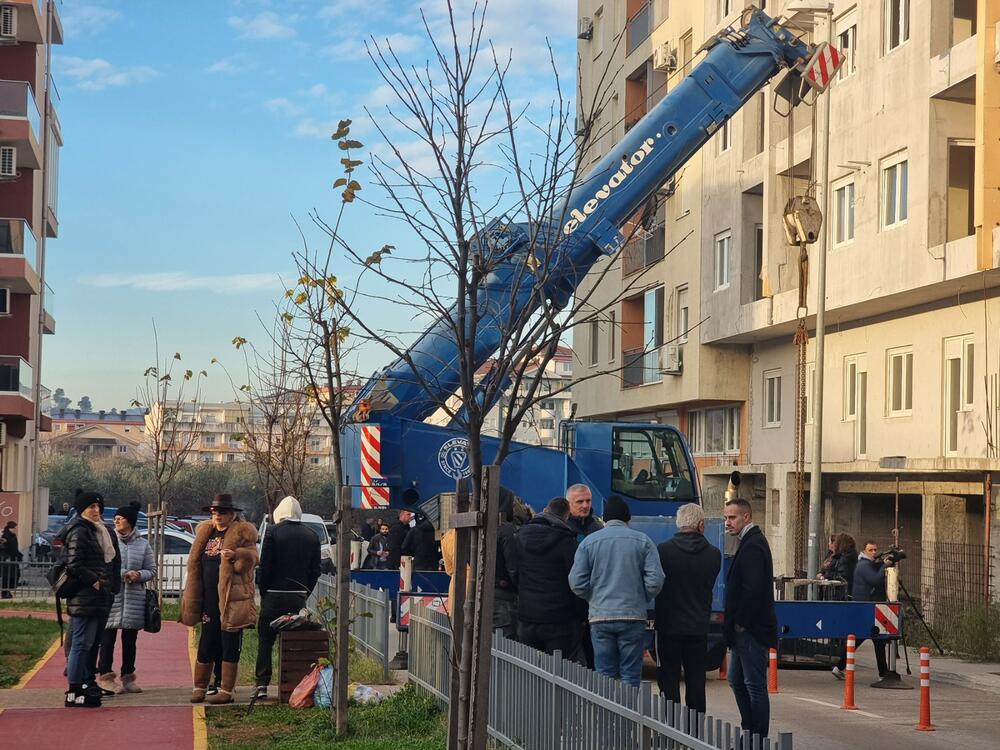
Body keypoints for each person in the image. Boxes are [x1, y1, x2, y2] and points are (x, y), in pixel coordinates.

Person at [569, 495, 664, 687]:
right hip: (633, 616)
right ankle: (627, 716)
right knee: (630, 674)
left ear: (605, 519)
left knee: (605, 674)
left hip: (600, 616)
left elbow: (576, 582)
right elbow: (656, 580)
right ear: (627, 519)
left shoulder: (589, 543)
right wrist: (641, 597)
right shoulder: (643, 541)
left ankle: (606, 716)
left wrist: (594, 597)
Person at [180, 494, 258, 705]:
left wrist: (236, 555)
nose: (218, 516)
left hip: (232, 598)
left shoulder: (242, 533)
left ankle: (226, 689)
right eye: (214, 512)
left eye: (222, 513)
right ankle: (200, 686)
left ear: (232, 515)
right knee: (207, 640)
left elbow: (252, 558)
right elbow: (196, 563)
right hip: (208, 596)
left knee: (229, 642)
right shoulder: (206, 532)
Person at [654, 503, 721, 714]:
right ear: (701, 525)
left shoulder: (663, 551)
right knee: (695, 681)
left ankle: (670, 730)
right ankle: (695, 732)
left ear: (679, 524)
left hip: (668, 625)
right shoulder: (713, 554)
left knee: (668, 679)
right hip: (698, 626)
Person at [253, 495, 321, 700]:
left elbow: (265, 566)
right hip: (298, 595)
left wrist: (263, 589)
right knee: (295, 640)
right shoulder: (312, 535)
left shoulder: (274, 532)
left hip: (273, 594)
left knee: (266, 638)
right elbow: (315, 570)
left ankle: (262, 683)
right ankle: (295, 682)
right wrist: (304, 591)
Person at [722, 497, 777, 741]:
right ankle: (750, 731)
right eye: (726, 517)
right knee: (735, 680)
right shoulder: (748, 542)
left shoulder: (753, 544)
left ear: (747, 517)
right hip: (744, 630)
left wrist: (741, 623)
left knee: (754, 686)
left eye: (732, 517)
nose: (727, 522)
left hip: (751, 630)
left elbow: (752, 590)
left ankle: (757, 738)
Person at [59, 491, 116, 708]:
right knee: (80, 644)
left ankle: (84, 685)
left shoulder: (96, 530)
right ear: (81, 509)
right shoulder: (79, 531)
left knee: (89, 643)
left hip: (96, 597)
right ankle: (74, 690)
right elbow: (74, 564)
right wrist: (95, 581)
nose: (96, 510)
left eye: (98, 506)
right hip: (84, 596)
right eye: (91, 506)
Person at [512, 497, 585, 660]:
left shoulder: (519, 537)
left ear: (546, 510)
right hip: (559, 620)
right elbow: (576, 582)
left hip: (527, 617)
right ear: (566, 517)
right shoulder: (567, 542)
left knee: (529, 670)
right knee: (560, 673)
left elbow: (514, 573)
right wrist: (582, 615)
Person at [96, 502, 156, 694]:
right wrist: (124, 574)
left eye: (120, 518)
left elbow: (152, 570)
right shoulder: (109, 540)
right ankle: (105, 676)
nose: (116, 521)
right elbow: (104, 566)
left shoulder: (143, 544)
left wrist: (140, 575)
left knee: (130, 640)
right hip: (113, 597)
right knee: (107, 639)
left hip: (134, 599)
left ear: (130, 521)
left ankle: (128, 677)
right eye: (115, 519)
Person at [833, 540, 893, 680]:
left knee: (868, 639)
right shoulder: (864, 565)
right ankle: (882, 674)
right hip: (866, 608)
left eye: (875, 550)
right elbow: (875, 580)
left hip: (867, 607)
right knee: (876, 639)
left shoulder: (867, 564)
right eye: (870, 550)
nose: (873, 552)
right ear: (864, 551)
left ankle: (839, 666)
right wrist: (884, 566)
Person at [1, 520, 21, 598]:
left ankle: (8, 591)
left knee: (14, 576)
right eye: (14, 528)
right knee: (7, 576)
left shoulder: (12, 536)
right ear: (10, 528)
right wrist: (6, 557)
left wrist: (19, 555)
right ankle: (5, 592)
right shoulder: (5, 535)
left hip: (13, 559)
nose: (15, 530)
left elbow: (14, 548)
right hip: (7, 560)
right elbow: (3, 548)